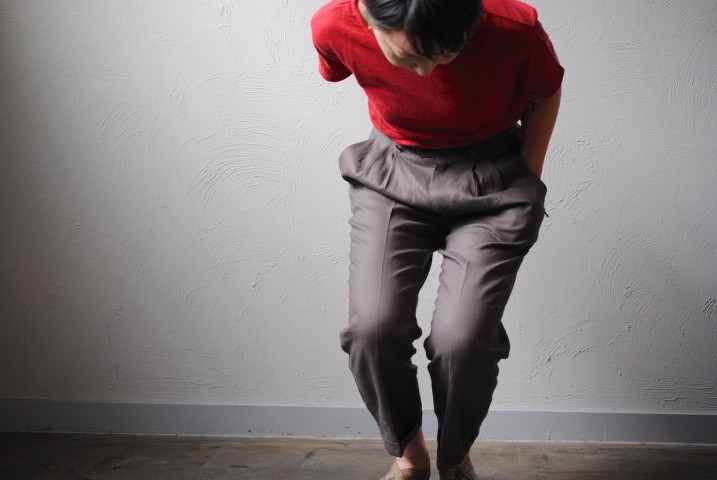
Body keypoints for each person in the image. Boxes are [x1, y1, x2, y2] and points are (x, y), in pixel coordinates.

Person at [310, 0, 563, 478]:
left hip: (494, 177)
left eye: (445, 56)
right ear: (370, 17)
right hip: (393, 173)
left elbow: (547, 90)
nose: (426, 73)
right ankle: (409, 456)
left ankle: (455, 458)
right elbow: (336, 68)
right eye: (408, 58)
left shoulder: (513, 27)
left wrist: (527, 177)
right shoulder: (335, 25)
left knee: (462, 340)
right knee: (372, 330)